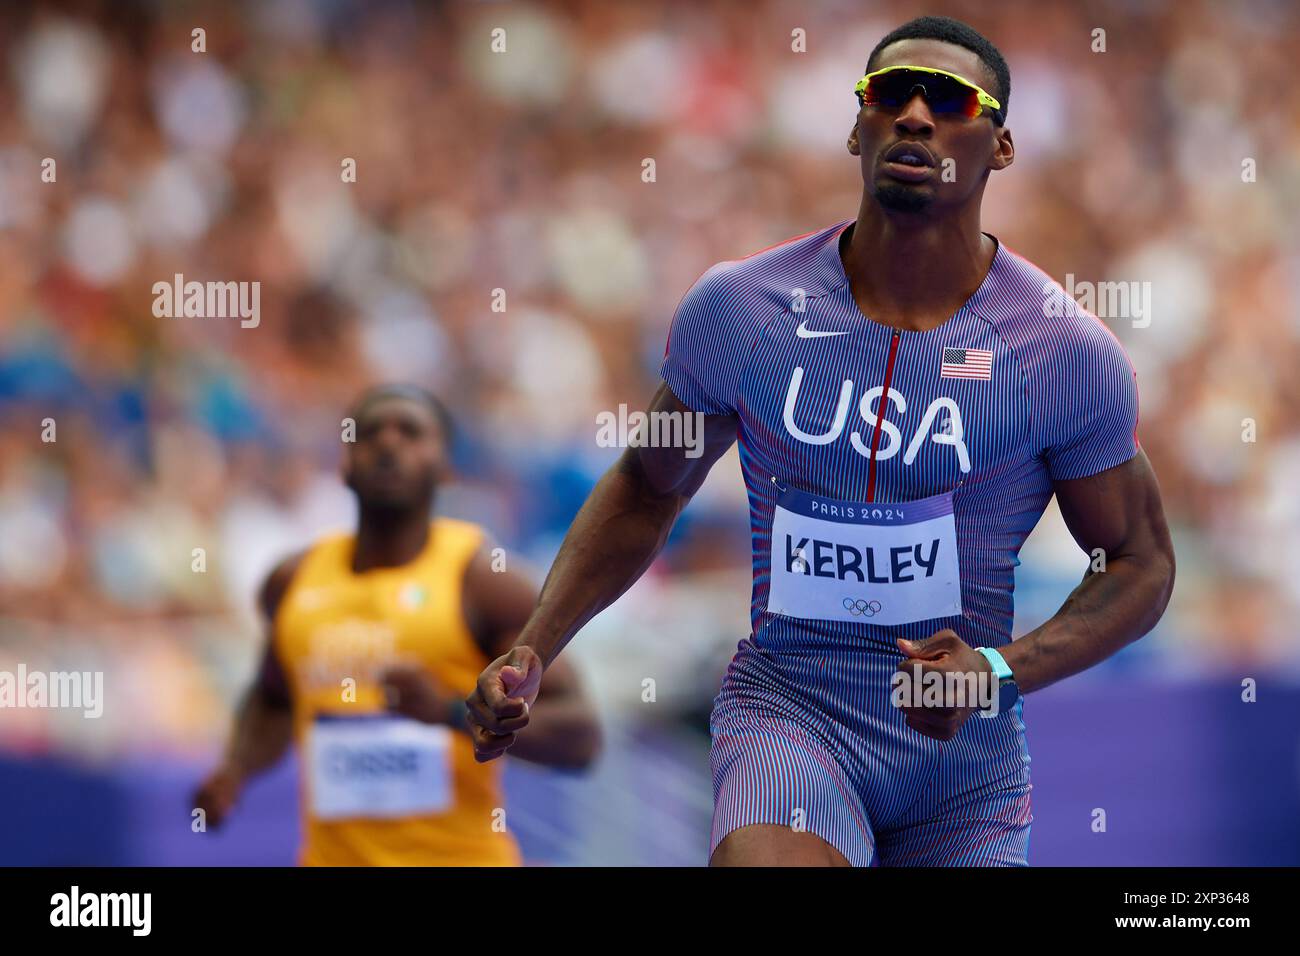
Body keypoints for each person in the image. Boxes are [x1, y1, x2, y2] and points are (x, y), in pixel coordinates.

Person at [464, 15, 1175, 867]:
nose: (915, 115)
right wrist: (535, 647)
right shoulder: (739, 310)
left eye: (949, 100)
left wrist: (997, 670)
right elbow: (648, 487)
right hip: (791, 714)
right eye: (888, 95)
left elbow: (1140, 564)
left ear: (1002, 144)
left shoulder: (1062, 352)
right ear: (855, 127)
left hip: (964, 764)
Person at [194, 384, 601, 865]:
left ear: (446, 467)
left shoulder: (484, 583)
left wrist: (452, 713)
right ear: (344, 464)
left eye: (410, 432)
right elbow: (272, 699)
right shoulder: (292, 582)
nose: (388, 443)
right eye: (369, 434)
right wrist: (235, 770)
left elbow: (581, 737)